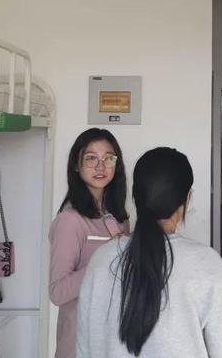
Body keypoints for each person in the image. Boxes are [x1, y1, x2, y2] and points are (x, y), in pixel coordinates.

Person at [77, 147, 222, 358]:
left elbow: (84, 347)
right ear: (187, 199)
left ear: (135, 197)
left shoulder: (101, 259)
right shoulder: (206, 262)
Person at [49, 128, 130, 358]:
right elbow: (57, 292)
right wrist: (105, 260)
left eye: (109, 158)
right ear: (76, 165)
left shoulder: (119, 217)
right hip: (79, 343)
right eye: (91, 158)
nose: (101, 167)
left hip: (115, 339)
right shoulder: (70, 220)